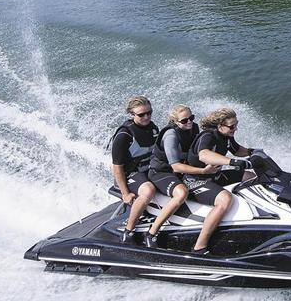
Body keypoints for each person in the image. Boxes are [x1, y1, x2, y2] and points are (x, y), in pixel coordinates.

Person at [142, 104, 218, 248]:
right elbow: (175, 166)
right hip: (161, 172)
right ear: (175, 122)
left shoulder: (193, 128)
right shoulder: (171, 135)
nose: (189, 122)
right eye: (184, 121)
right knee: (181, 193)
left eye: (191, 118)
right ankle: (151, 233)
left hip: (180, 170)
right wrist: (202, 171)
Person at [182, 107, 255, 255]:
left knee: (250, 176)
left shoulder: (227, 136)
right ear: (220, 125)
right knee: (225, 199)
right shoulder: (208, 136)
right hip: (194, 180)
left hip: (214, 176)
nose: (235, 128)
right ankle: (199, 247)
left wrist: (252, 152)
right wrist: (231, 162)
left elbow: (236, 150)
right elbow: (204, 155)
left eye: (236, 124)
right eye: (232, 126)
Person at [109, 95, 159, 243]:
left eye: (149, 113)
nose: (146, 117)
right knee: (148, 190)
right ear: (132, 114)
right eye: (141, 114)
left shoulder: (153, 128)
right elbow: (117, 167)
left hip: (148, 170)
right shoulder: (124, 135)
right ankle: (128, 231)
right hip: (130, 174)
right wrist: (125, 193)